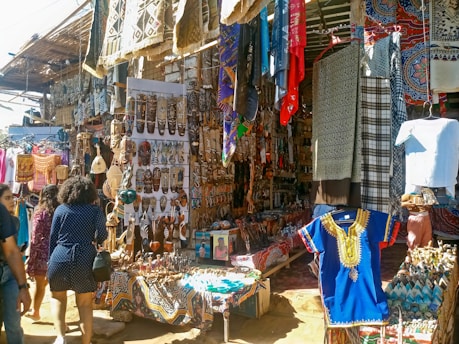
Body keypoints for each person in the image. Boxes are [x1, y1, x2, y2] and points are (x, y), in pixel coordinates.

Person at [47, 176, 107, 344]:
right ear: (90, 193)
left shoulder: (60, 210)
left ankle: (60, 337)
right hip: (84, 258)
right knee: (85, 304)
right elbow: (102, 235)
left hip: (59, 256)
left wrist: (49, 261)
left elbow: (52, 238)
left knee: (58, 298)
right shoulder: (95, 211)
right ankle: (85, 342)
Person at [0, 184, 32, 343]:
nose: (12, 201)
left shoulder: (12, 221)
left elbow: (11, 252)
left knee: (13, 321)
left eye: (11, 197)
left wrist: (23, 287)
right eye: (7, 198)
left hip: (9, 274)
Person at [25, 184, 59, 322]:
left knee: (40, 286)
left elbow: (36, 237)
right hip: (58, 254)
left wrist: (31, 258)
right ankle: (61, 321)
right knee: (57, 291)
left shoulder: (41, 213)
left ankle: (36, 312)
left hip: (42, 256)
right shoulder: (60, 212)